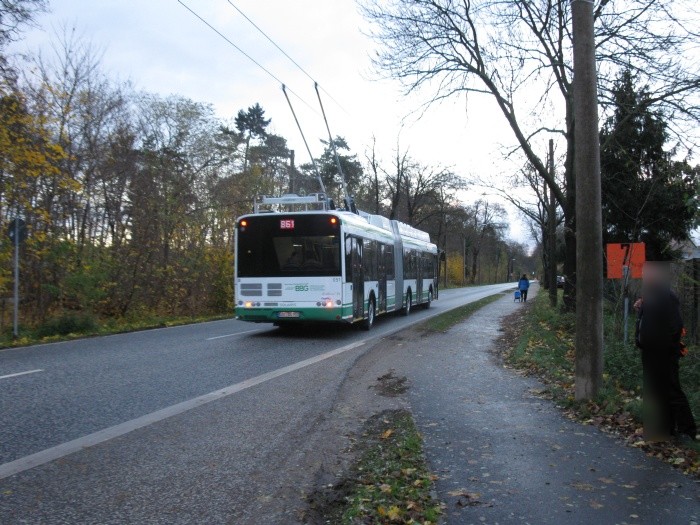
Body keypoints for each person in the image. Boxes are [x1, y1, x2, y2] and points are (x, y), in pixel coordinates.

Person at [634, 262, 697, 442]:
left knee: (672, 390)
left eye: (650, 273)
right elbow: (650, 321)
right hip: (650, 351)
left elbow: (675, 326)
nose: (646, 276)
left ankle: (687, 430)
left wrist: (664, 348)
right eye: (645, 273)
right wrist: (641, 310)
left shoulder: (667, 295)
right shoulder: (651, 296)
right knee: (657, 391)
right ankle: (665, 429)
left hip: (664, 353)